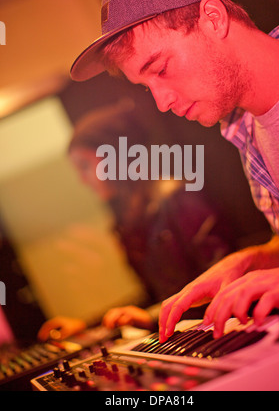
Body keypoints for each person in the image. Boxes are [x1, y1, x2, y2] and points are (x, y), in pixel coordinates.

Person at [69, 0, 279, 343]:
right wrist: (253, 261)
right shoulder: (244, 127)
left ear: (213, 18)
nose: (161, 102)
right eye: (146, 86)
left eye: (159, 69)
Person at [38, 101, 232, 341]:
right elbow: (156, 300)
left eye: (85, 166)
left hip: (219, 335)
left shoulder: (178, 197)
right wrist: (88, 327)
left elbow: (222, 285)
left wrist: (150, 317)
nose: (82, 180)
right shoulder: (128, 218)